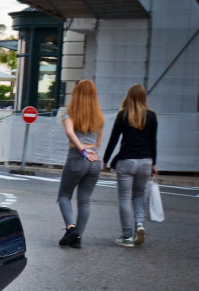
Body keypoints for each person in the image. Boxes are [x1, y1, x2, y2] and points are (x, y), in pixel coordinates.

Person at [102, 83, 158, 247]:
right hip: (146, 161)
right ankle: (139, 225)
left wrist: (105, 160)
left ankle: (127, 236)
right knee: (139, 195)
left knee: (125, 198)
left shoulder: (123, 115)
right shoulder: (152, 116)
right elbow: (153, 142)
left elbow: (114, 139)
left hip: (127, 161)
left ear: (129, 97)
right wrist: (154, 163)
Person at [56, 79, 105, 249]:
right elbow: (99, 142)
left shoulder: (70, 112)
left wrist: (82, 150)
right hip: (95, 160)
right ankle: (78, 238)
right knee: (84, 200)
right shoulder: (99, 116)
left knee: (64, 195)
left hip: (78, 157)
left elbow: (70, 132)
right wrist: (91, 151)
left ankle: (71, 228)